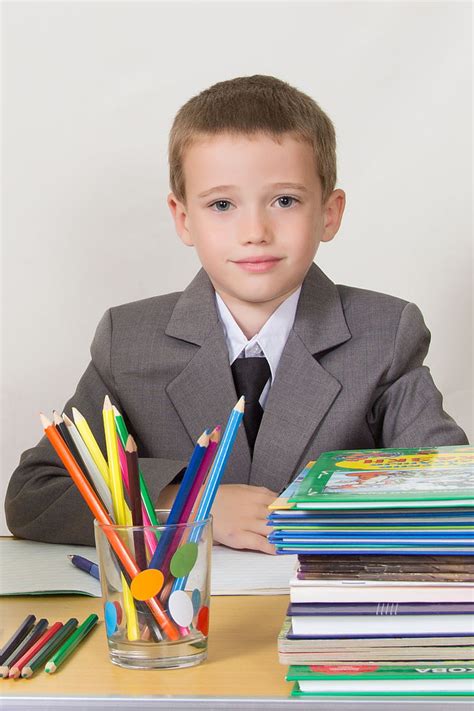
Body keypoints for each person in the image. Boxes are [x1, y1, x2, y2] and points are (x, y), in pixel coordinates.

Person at [5, 75, 468, 552]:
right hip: (180, 616)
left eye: (284, 201)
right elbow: (35, 494)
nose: (255, 231)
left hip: (323, 606)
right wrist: (186, 503)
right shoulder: (128, 340)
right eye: (222, 204)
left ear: (329, 213)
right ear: (184, 219)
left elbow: (452, 489)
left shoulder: (385, 334)